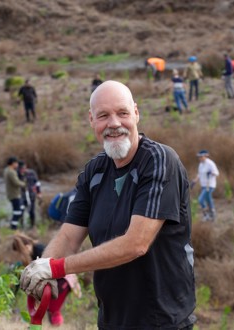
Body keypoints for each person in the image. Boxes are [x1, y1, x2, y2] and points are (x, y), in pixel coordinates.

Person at [20, 80, 196, 329]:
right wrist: (43, 268)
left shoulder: (159, 161)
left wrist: (56, 268)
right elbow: (70, 236)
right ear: (91, 120)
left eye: (122, 113)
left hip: (162, 320)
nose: (114, 124)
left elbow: (136, 244)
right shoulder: (94, 171)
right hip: (111, 319)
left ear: (136, 113)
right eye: (103, 115)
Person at [12, 234, 81, 326]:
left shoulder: (41, 251)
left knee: (53, 309)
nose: (20, 256)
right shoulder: (32, 254)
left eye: (20, 252)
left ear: (26, 246)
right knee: (49, 308)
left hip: (64, 279)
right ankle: (41, 324)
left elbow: (50, 269)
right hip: (55, 280)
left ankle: (56, 326)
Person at [190, 150, 219, 221]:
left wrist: (211, 173)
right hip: (203, 185)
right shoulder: (201, 164)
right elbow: (199, 174)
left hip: (209, 185)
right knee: (208, 199)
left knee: (201, 200)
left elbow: (216, 173)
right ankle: (212, 214)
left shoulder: (210, 163)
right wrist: (194, 181)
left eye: (201, 157)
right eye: (199, 157)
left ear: (205, 156)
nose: (199, 158)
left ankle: (206, 215)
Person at [4, 157, 25, 230]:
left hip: (13, 194)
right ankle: (13, 228)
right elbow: (16, 183)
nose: (17, 165)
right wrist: (24, 184)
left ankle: (14, 225)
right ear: (13, 163)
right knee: (17, 212)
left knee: (20, 209)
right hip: (14, 195)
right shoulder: (11, 172)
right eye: (16, 163)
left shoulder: (6, 170)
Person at [18, 161, 41, 228]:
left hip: (32, 195)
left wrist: (39, 193)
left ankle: (32, 225)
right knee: (21, 211)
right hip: (22, 195)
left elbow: (37, 183)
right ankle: (21, 226)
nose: (23, 170)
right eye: (21, 168)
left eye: (24, 168)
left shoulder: (32, 173)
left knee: (32, 211)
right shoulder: (17, 174)